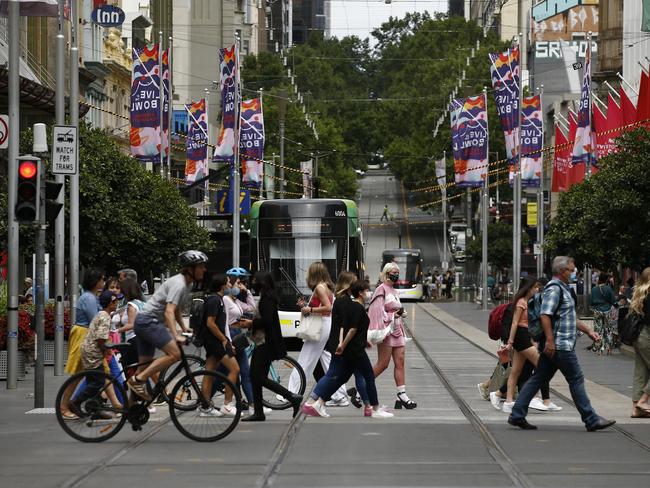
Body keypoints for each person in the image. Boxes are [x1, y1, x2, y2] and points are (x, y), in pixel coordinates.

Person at [507, 256, 616, 431]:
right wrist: (550, 341)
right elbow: (545, 315)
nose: (574, 273)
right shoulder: (554, 289)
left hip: (558, 344)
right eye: (572, 270)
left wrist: (588, 331)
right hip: (559, 345)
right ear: (562, 271)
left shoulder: (564, 289)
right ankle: (591, 419)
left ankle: (517, 414)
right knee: (576, 378)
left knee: (538, 378)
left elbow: (570, 316)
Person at [302, 279, 394, 418]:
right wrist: (342, 345)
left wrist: (350, 343)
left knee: (340, 378)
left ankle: (318, 402)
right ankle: (374, 408)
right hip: (355, 351)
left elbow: (346, 327)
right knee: (368, 376)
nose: (370, 293)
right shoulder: (357, 307)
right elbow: (351, 330)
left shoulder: (348, 304)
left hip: (350, 349)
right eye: (367, 290)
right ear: (361, 293)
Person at [127, 250, 206, 401]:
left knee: (143, 366)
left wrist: (183, 328)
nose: (204, 269)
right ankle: (139, 380)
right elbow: (169, 312)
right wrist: (175, 334)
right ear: (190, 269)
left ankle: (131, 410)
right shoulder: (179, 284)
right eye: (201, 266)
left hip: (144, 321)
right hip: (149, 322)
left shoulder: (187, 284)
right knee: (175, 354)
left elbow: (175, 309)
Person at [243, 271, 302, 421]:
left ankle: (291, 396)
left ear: (262, 282)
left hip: (266, 343)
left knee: (257, 377)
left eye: (255, 280)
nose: (253, 282)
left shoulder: (267, 299)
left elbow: (268, 321)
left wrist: (251, 323)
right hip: (263, 342)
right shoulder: (267, 297)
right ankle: (258, 412)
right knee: (255, 377)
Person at [288, 262, 348, 406]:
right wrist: (306, 307)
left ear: (313, 274)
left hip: (320, 326)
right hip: (324, 325)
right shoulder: (326, 287)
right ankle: (340, 395)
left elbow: (328, 308)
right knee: (326, 359)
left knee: (305, 359)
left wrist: (310, 310)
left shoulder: (320, 288)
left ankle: (290, 393)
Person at [501, 277, 557, 413]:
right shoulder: (521, 302)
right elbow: (515, 323)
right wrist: (510, 342)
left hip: (525, 336)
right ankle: (533, 397)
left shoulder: (528, 302)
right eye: (534, 288)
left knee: (516, 371)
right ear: (528, 288)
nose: (536, 290)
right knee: (542, 364)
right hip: (520, 336)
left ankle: (508, 402)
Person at [68, 290, 124, 419]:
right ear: (111, 303)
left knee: (93, 380)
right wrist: (108, 349)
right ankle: (75, 402)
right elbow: (101, 339)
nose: (118, 303)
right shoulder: (105, 317)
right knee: (99, 381)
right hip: (93, 352)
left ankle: (94, 407)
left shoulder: (101, 314)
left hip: (90, 350)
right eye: (116, 301)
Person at [369, 262, 417, 409]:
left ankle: (402, 394)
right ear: (386, 273)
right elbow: (376, 312)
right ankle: (361, 389)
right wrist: (392, 316)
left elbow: (396, 308)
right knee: (383, 364)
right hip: (386, 331)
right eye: (393, 272)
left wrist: (401, 313)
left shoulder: (394, 291)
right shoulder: (380, 289)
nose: (396, 274)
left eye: (397, 272)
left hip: (397, 330)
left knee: (400, 361)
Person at [195, 274, 241, 417]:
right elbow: (210, 323)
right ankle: (227, 404)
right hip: (216, 341)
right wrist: (224, 339)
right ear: (222, 285)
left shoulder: (217, 299)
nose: (230, 285)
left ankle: (205, 406)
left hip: (213, 341)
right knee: (234, 369)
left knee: (209, 373)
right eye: (228, 282)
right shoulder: (215, 300)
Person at [224, 268, 256, 412]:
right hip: (230, 335)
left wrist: (247, 292)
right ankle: (207, 402)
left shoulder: (235, 301)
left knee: (243, 372)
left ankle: (252, 405)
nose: (240, 286)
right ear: (229, 283)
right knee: (226, 373)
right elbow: (224, 322)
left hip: (237, 335)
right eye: (238, 283)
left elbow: (252, 308)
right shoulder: (225, 300)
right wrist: (228, 341)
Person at [630, 267, 650, 418]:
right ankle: (643, 401)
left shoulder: (639, 292)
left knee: (641, 371)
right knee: (641, 371)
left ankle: (636, 409)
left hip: (638, 335)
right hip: (648, 335)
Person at [590, 273, 618, 355]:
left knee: (598, 330)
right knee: (608, 330)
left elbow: (591, 302)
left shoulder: (594, 289)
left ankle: (599, 350)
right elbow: (613, 301)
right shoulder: (608, 289)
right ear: (606, 280)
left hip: (597, 310)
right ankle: (609, 349)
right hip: (607, 310)